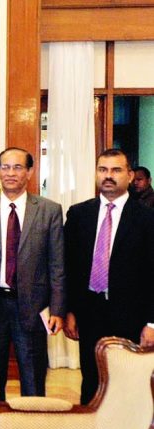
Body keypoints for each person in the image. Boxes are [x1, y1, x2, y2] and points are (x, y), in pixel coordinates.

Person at [0, 147, 65, 403]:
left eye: (17, 167)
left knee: (33, 379)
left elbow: (57, 264)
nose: (10, 173)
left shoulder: (49, 210)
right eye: (5, 167)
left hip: (33, 307)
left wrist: (57, 309)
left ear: (30, 172)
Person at [64, 148, 154, 405]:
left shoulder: (147, 218)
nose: (108, 176)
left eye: (116, 170)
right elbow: (69, 266)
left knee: (129, 383)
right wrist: (70, 310)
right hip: (89, 312)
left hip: (132, 315)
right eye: (103, 170)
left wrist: (152, 322)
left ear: (129, 175)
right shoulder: (79, 214)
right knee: (91, 380)